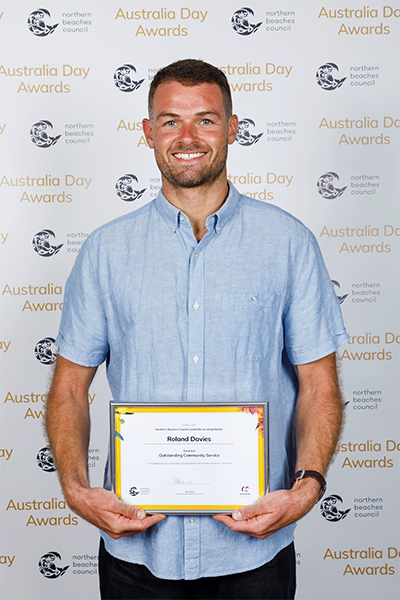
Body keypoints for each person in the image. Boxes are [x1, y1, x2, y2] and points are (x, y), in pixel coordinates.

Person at [45, 59, 348, 600]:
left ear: (233, 129)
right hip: (139, 551)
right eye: (169, 121)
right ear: (148, 132)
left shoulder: (288, 243)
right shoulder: (105, 252)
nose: (187, 137)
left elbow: (319, 386)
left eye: (206, 120)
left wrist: (307, 488)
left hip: (256, 549)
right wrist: (75, 489)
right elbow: (69, 388)